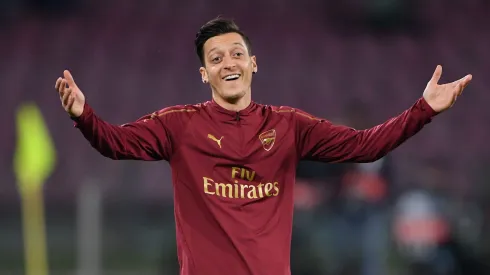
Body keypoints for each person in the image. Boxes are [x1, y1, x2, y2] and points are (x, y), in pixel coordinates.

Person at [54, 17, 472, 275]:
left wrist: (423, 110)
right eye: (216, 58)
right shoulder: (179, 125)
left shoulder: (289, 126)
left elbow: (365, 147)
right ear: (204, 74)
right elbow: (116, 143)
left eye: (237, 53)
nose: (228, 63)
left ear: (253, 63)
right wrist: (83, 115)